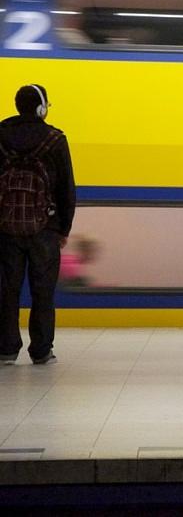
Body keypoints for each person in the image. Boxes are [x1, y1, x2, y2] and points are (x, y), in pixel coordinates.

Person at [0, 84, 76, 366]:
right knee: (43, 290)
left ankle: (6, 349)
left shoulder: (1, 135)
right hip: (45, 228)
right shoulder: (54, 139)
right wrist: (63, 228)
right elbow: (66, 188)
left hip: (6, 228)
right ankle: (42, 350)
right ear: (42, 107)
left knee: (8, 289)